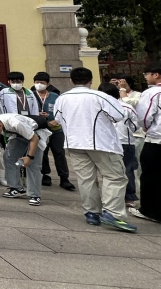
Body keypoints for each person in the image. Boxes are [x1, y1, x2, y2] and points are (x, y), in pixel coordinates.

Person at [55, 67, 136, 232]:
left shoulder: (62, 98)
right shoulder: (100, 96)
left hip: (74, 143)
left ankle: (91, 212)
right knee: (115, 177)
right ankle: (113, 213)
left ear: (71, 80)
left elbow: (57, 118)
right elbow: (118, 115)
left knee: (86, 178)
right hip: (101, 143)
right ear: (91, 80)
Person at [0, 110, 48, 206]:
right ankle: (16, 188)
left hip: (36, 134)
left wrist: (29, 157)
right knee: (9, 157)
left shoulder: (15, 123)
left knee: (33, 164)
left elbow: (34, 139)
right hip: (19, 135)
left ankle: (35, 195)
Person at [99, 83, 140, 212]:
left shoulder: (99, 106)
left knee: (108, 171)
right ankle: (129, 198)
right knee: (127, 170)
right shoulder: (126, 107)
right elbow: (135, 125)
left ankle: (109, 198)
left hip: (106, 143)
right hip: (125, 141)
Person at [33, 72, 75, 191]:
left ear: (48, 84)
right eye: (37, 82)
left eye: (42, 83)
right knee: (43, 152)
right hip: (40, 129)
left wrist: (56, 120)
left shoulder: (55, 96)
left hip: (56, 129)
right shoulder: (31, 96)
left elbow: (63, 111)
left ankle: (64, 178)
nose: (39, 84)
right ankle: (46, 175)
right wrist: (37, 114)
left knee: (59, 152)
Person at [135, 62, 161, 222]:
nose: (145, 77)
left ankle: (150, 211)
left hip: (156, 140)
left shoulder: (153, 93)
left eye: (147, 74)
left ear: (156, 75)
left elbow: (144, 117)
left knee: (151, 176)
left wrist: (145, 127)